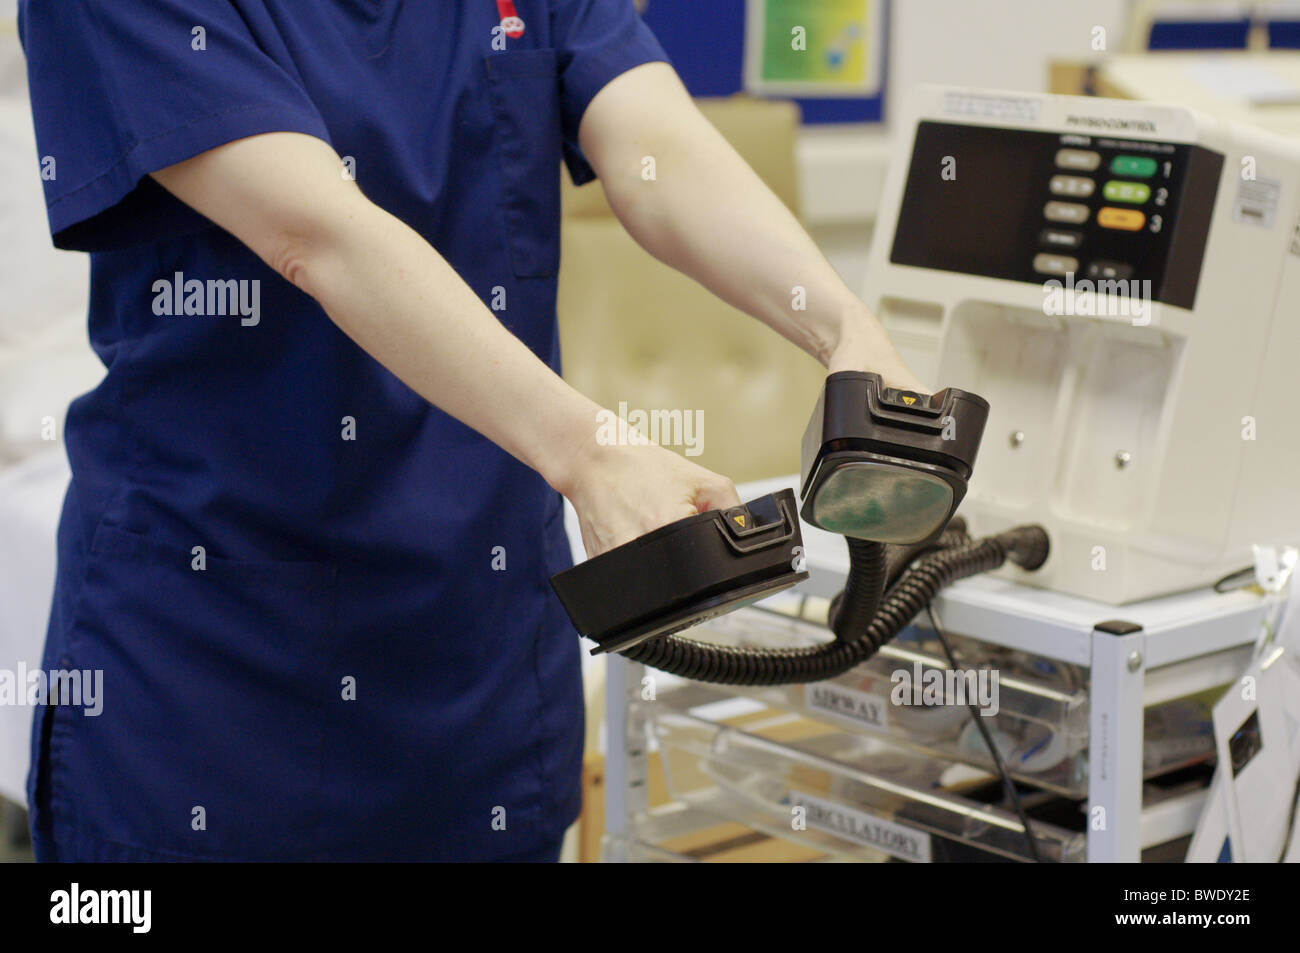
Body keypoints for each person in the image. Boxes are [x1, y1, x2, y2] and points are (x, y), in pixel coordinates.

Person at [19, 0, 923, 862]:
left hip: (483, 689)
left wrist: (848, 332)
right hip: (219, 689)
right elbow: (316, 235)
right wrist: (594, 453)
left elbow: (655, 150)